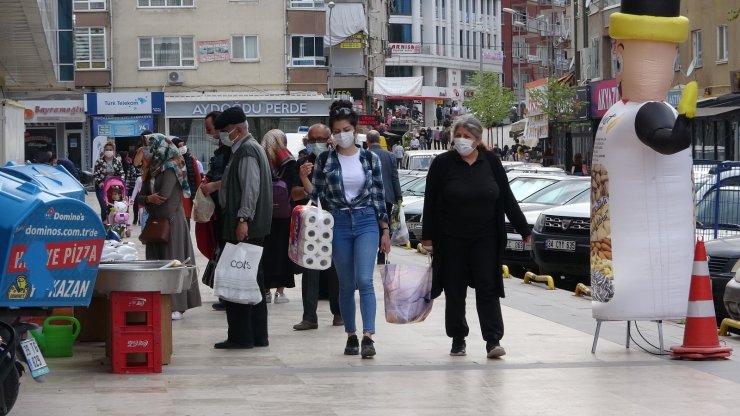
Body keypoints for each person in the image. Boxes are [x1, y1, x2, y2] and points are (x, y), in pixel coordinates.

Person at [421, 115, 531, 359]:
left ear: (478, 140)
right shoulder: (442, 164)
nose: (461, 140)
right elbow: (430, 203)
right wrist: (427, 237)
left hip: (486, 238)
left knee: (488, 288)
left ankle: (493, 340)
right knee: (455, 289)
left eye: (467, 137)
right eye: (458, 136)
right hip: (451, 238)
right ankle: (458, 338)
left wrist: (524, 229)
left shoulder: (490, 162)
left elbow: (507, 198)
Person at [310, 100, 389, 358]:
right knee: (345, 284)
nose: (342, 134)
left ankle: (369, 336)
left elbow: (379, 194)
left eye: (346, 129)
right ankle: (351, 335)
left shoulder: (370, 158)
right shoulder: (325, 160)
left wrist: (385, 229)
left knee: (365, 280)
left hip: (367, 220)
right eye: (337, 130)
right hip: (338, 222)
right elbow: (317, 194)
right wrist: (304, 179)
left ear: (355, 129)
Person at [213, 106, 273, 349]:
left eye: (226, 131)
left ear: (237, 130)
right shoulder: (249, 148)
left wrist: (242, 219)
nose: (223, 136)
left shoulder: (247, 150)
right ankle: (258, 336)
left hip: (246, 227)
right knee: (252, 280)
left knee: (237, 279)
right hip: (251, 226)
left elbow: (251, 188)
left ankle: (241, 336)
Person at [136, 134, 201, 321]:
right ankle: (160, 302)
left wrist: (149, 199)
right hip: (155, 221)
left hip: (171, 222)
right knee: (155, 262)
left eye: (148, 147)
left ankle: (178, 305)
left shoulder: (171, 168)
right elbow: (142, 197)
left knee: (174, 260)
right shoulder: (151, 170)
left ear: (159, 147)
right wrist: (149, 199)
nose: (145, 151)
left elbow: (163, 195)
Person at [291, 124, 343, 330]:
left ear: (329, 139)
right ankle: (309, 316)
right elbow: (295, 194)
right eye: (313, 140)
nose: (317, 144)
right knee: (310, 269)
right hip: (312, 224)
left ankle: (338, 312)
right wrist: (305, 183)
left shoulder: (337, 160)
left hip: (335, 220)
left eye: (321, 139)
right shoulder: (303, 163)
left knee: (336, 270)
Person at [199, 110, 232, 311]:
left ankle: (229, 295)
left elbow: (233, 177)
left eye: (210, 129)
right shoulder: (221, 149)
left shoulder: (232, 150)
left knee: (228, 251)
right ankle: (225, 294)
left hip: (228, 208)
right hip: (218, 208)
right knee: (221, 249)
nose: (210, 134)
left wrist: (213, 186)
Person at [260, 129, 297, 304]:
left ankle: (265, 290)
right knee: (283, 251)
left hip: (264, 214)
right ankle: (280, 293)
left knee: (265, 252)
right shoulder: (289, 161)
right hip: (284, 215)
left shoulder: (260, 160)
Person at [366, 130, 402, 264]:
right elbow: (394, 178)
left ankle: (369, 255)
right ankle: (381, 256)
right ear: (379, 140)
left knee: (370, 225)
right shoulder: (390, 156)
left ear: (367, 141)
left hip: (369, 197)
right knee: (384, 226)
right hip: (387, 197)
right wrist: (398, 196)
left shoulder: (365, 155)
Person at [172, 137, 202, 227]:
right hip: (174, 196)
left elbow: (197, 178)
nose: (182, 147)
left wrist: (198, 195)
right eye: (179, 146)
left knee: (186, 223)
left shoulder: (191, 160)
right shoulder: (170, 161)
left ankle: (185, 240)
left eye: (183, 145)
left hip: (187, 197)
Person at [93, 141, 124, 222]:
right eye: (107, 149)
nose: (108, 151)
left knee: (114, 206)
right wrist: (100, 183)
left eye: (110, 149)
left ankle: (114, 222)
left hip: (114, 187)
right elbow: (96, 174)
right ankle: (104, 224)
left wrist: (121, 182)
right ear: (104, 150)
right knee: (104, 206)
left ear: (113, 151)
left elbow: (121, 173)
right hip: (102, 187)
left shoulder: (117, 161)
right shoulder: (99, 161)